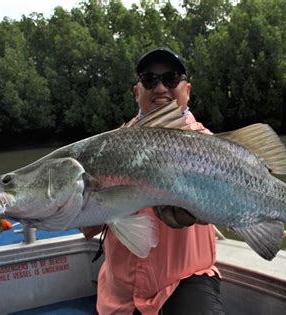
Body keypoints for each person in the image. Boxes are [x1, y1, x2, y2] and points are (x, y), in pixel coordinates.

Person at [81, 47, 224, 315]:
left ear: (187, 90)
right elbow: (88, 227)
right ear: (137, 92)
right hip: (119, 294)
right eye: (150, 80)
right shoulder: (108, 147)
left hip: (186, 281)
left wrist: (198, 209)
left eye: (170, 79)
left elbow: (219, 208)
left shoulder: (209, 146)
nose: (160, 88)